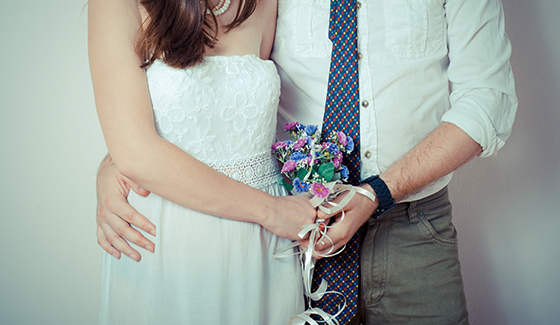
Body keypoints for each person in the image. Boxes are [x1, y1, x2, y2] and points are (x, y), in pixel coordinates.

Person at [95, 0, 517, 324]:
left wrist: (376, 192)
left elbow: (486, 101)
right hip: (296, 233)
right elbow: (199, 95)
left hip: (411, 229)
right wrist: (121, 158)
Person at [88, 0, 318, 323]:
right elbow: (135, 150)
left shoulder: (266, 4)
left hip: (263, 248)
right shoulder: (116, 5)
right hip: (168, 241)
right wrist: (271, 211)